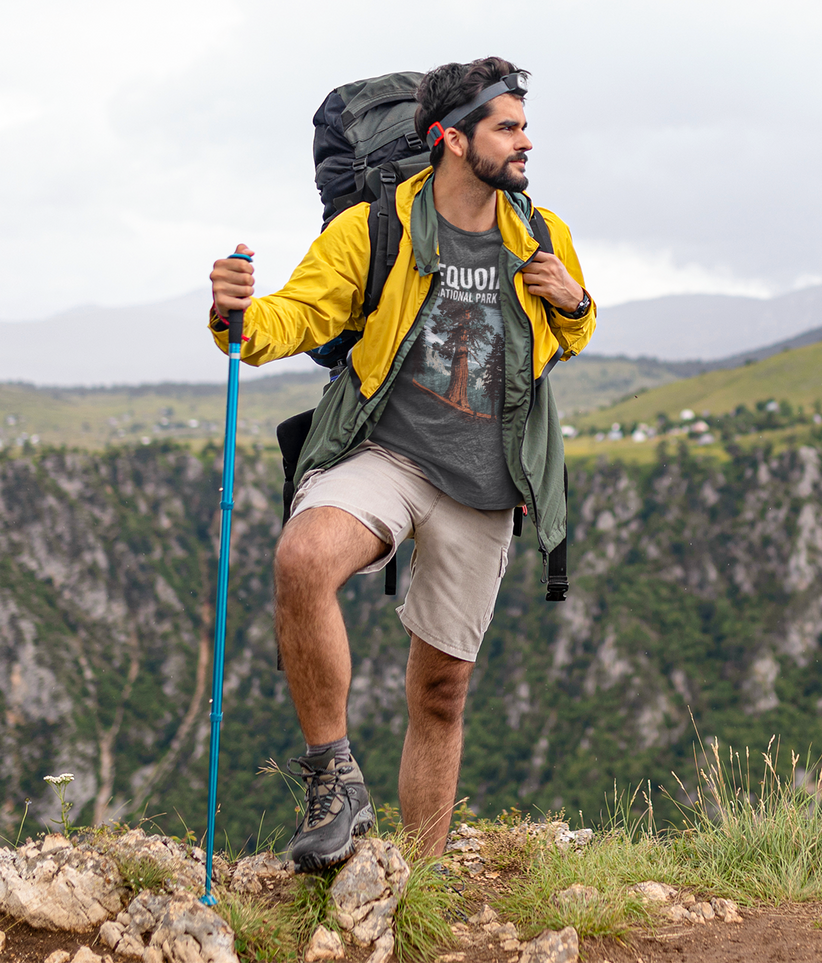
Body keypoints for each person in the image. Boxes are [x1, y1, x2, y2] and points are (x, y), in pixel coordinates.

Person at [207, 57, 595, 871]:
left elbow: (561, 337)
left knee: (441, 693)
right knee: (303, 555)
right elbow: (295, 315)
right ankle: (333, 779)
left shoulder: (541, 232)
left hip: (486, 483)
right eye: (508, 126)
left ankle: (416, 881)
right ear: (451, 139)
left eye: (523, 123)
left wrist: (575, 305)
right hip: (384, 451)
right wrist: (234, 312)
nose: (527, 140)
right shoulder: (374, 230)